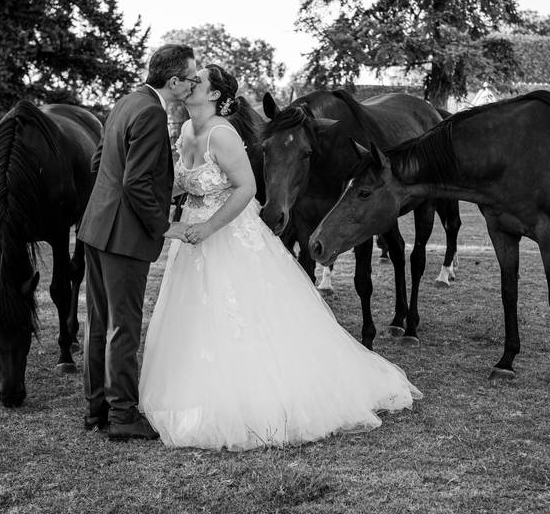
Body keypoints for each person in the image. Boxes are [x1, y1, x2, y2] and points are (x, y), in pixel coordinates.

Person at [139, 64, 422, 451]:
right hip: (192, 238)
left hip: (226, 233)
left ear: (216, 95)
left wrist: (207, 228)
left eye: (197, 81)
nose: (189, 85)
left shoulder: (223, 134)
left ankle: (256, 394)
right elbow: (185, 184)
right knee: (195, 314)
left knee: (244, 313)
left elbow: (247, 189)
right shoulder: (187, 130)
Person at [77, 44, 198, 441]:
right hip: (124, 237)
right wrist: (163, 225)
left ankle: (97, 410)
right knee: (123, 327)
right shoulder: (150, 112)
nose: (194, 83)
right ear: (174, 80)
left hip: (96, 229)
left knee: (100, 323)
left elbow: (100, 164)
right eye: (191, 77)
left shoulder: (126, 101)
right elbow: (136, 182)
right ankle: (123, 417)